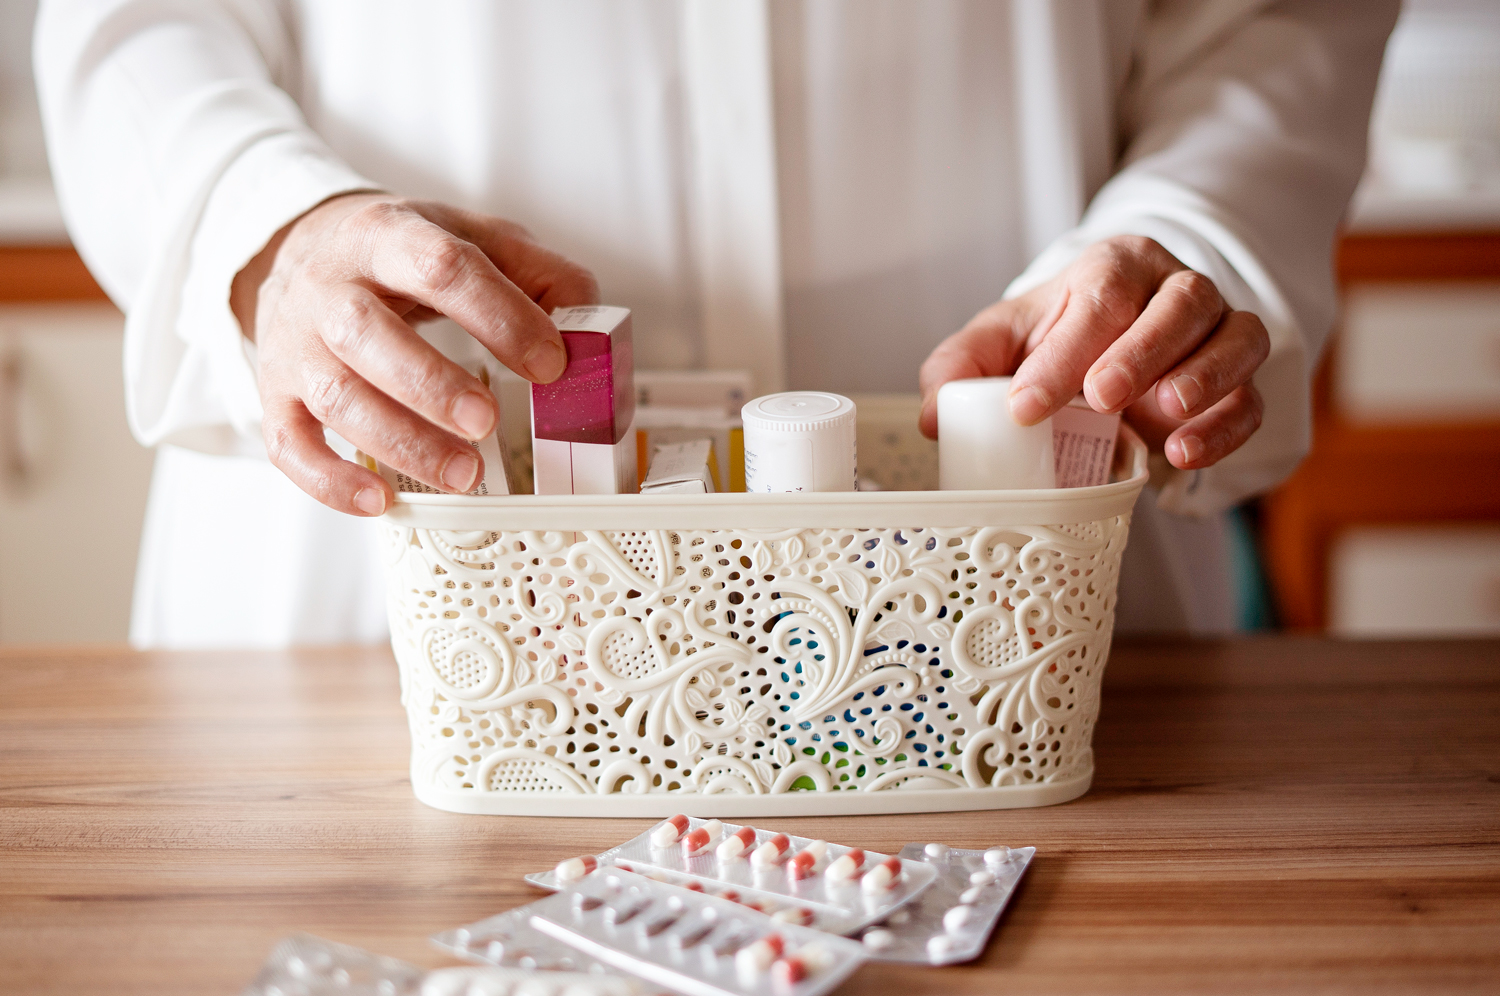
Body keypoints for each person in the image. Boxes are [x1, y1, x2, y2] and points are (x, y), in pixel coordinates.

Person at [35, 0, 1397, 647]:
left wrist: (1190, 242)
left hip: (1020, 645)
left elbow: (1277, 25)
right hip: (371, 624)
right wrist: (264, 228)